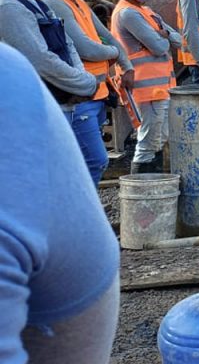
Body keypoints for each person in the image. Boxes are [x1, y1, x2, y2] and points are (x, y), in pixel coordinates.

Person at [0, 42, 120, 364]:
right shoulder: (16, 16)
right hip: (74, 97)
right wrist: (87, 81)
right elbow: (59, 54)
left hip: (78, 95)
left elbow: (77, 46)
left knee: (95, 160)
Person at [0, 0, 101, 166]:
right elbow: (40, 60)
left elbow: (66, 44)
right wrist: (84, 82)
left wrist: (81, 79)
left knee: (82, 163)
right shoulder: (8, 8)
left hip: (62, 101)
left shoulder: (35, 4)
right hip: (38, 109)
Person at [38, 0, 134, 185]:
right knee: (94, 160)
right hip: (77, 97)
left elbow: (108, 36)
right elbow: (87, 49)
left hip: (96, 94)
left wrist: (125, 64)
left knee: (87, 159)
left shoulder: (76, 1)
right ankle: (78, 214)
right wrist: (114, 54)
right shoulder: (52, 2)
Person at [109, 0, 180, 174]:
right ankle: (142, 187)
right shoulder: (127, 13)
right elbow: (160, 47)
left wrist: (164, 34)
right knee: (148, 140)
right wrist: (162, 38)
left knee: (159, 137)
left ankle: (155, 181)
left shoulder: (147, 11)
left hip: (159, 87)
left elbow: (176, 39)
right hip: (144, 88)